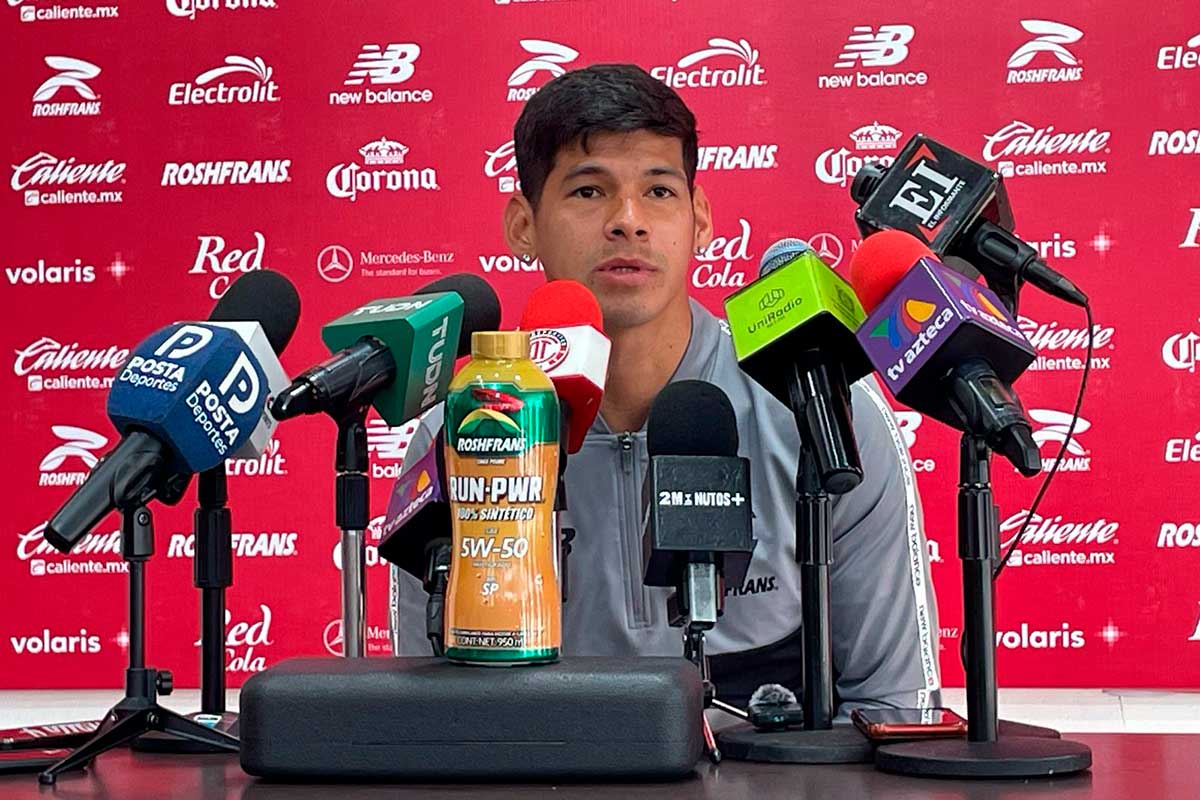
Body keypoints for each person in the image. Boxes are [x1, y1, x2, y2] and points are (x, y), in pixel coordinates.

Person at [391, 63, 940, 712]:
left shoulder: (821, 407)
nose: (628, 221)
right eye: (589, 192)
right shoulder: (471, 429)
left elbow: (895, 708)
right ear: (523, 225)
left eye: (658, 191)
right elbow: (429, 723)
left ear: (700, 217)